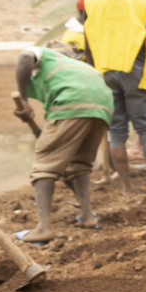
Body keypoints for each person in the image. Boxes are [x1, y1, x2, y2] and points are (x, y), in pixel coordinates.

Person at [83, 0, 146, 195]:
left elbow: (88, 43)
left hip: (105, 71)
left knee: (117, 130)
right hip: (135, 69)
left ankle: (126, 187)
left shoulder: (91, 3)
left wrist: (95, 70)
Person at [11, 47, 113, 244]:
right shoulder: (78, 68)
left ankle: (43, 228)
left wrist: (23, 100)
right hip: (103, 106)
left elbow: (24, 56)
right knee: (79, 164)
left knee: (44, 166)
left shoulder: (47, 55)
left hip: (73, 102)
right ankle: (87, 216)